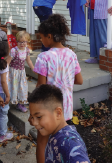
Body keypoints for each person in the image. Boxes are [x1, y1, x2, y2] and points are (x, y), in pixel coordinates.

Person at [33, 14, 83, 163]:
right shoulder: (71, 54)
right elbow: (79, 80)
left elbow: (41, 87)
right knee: (60, 142)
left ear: (49, 36)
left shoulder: (44, 57)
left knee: (42, 142)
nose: (41, 41)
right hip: (65, 110)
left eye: (42, 37)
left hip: (47, 109)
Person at [28, 84, 90, 163]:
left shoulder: (69, 143)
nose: (34, 123)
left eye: (39, 117)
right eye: (32, 117)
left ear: (58, 113)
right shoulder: (55, 134)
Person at [8, 31, 34, 113]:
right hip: (13, 72)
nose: (22, 44)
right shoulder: (13, 51)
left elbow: (29, 61)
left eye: (24, 42)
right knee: (13, 87)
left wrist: (33, 69)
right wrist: (6, 73)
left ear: (27, 41)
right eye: (20, 42)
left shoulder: (27, 50)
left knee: (22, 87)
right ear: (17, 41)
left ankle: (20, 104)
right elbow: (8, 62)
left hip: (22, 72)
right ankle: (11, 102)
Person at [0, 41, 13, 143]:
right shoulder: (3, 65)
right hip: (2, 92)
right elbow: (3, 81)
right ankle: (3, 135)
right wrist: (8, 95)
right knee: (2, 114)